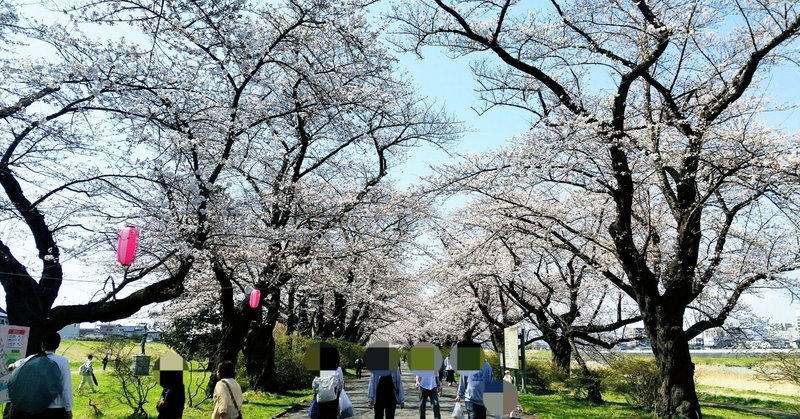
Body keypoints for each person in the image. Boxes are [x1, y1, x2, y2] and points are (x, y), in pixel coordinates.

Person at [7, 332, 73, 419]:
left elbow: (13, 365)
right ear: (57, 345)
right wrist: (68, 408)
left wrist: (12, 366)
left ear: (42, 344)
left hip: (35, 407)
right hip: (55, 408)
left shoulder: (33, 358)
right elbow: (66, 386)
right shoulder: (62, 361)